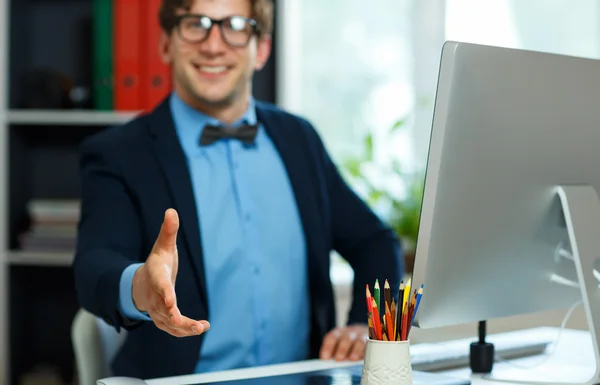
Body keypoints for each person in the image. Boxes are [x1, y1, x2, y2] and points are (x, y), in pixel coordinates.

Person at [73, 0, 402, 380]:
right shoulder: (118, 153)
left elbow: (375, 242)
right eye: (195, 24)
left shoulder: (300, 139)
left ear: (260, 49)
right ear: (166, 43)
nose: (213, 45)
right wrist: (141, 288)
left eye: (235, 25)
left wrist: (366, 327)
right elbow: (93, 265)